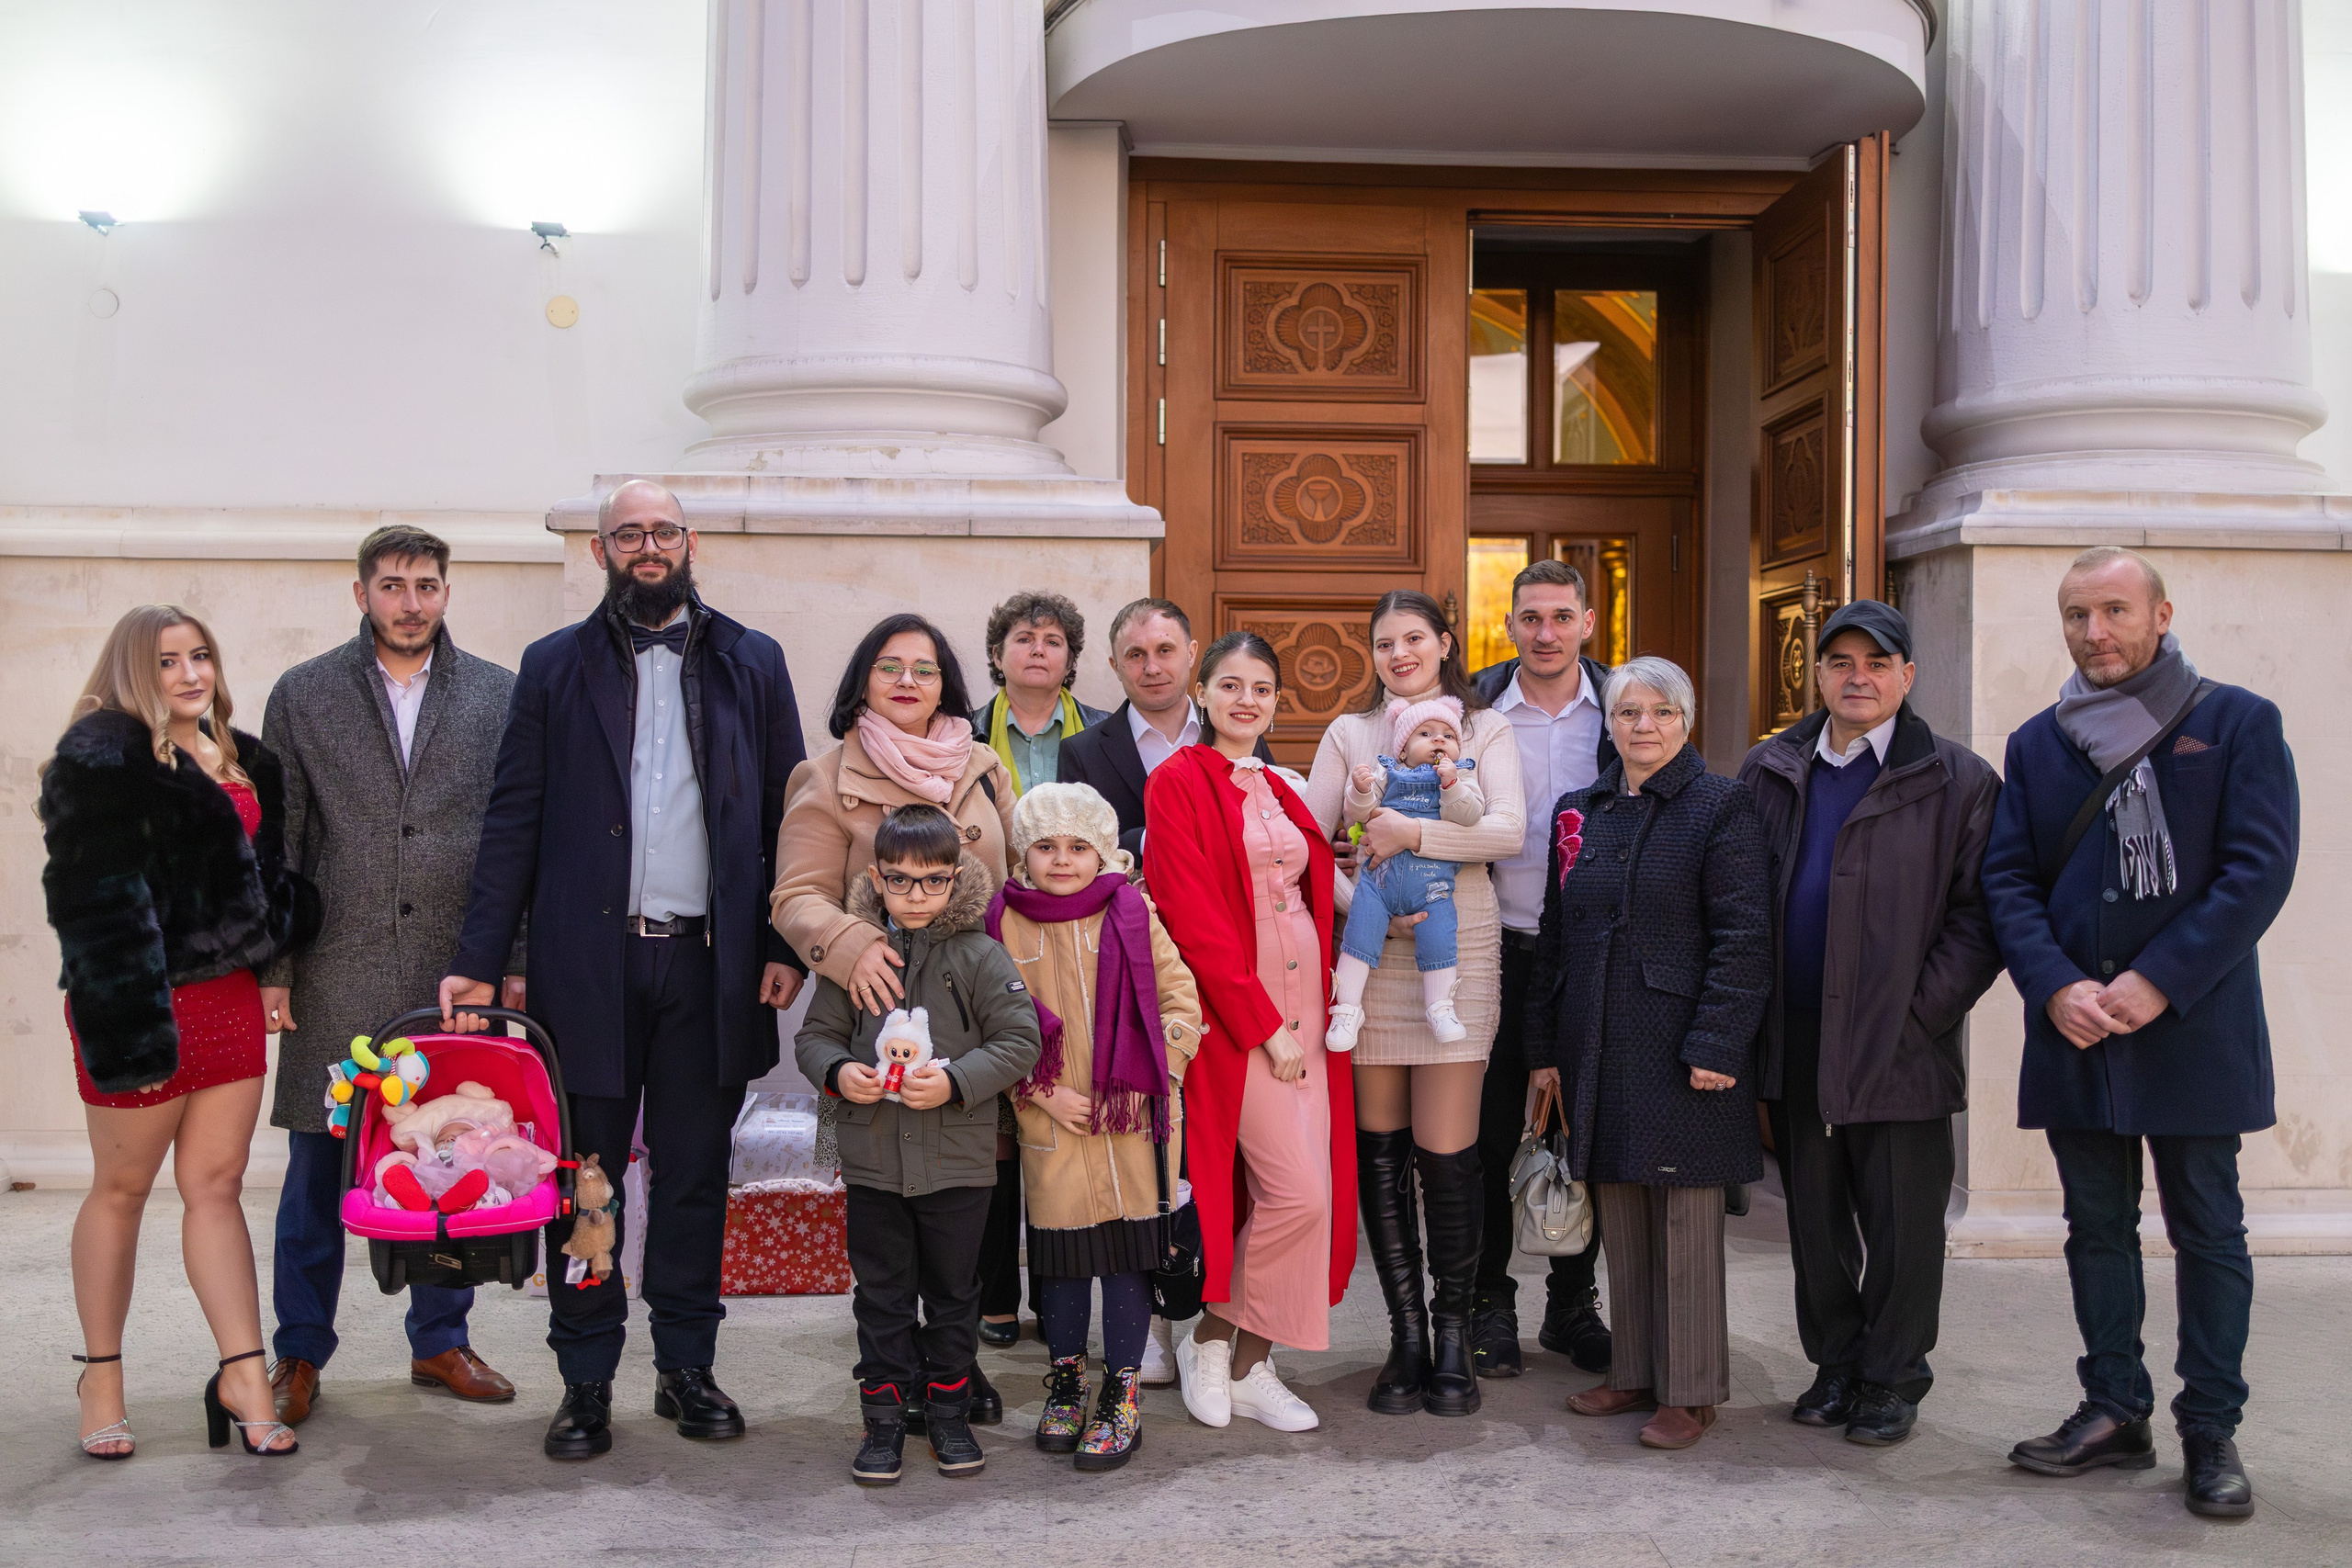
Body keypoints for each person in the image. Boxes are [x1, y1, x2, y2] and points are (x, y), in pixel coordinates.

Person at [439, 479, 808, 1460]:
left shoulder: (751, 661)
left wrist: (781, 946)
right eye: (628, 533)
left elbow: (789, 817)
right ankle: (586, 1381)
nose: (649, 546)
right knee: (584, 1179)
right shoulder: (553, 666)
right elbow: (512, 817)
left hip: (711, 965)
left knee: (693, 1176)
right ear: (603, 550)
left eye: (664, 531)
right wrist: (481, 962)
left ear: (690, 544)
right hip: (587, 967)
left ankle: (688, 1369)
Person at [1982, 547, 2298, 1518]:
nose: (2094, 632)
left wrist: (2159, 981)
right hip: (2078, 1027)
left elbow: (2258, 870)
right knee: (2095, 1229)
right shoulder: (2037, 743)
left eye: (2114, 610)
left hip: (2192, 1023)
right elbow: (2008, 880)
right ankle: (2113, 1408)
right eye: (2077, 615)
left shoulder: (2235, 722)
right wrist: (2053, 986)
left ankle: (2211, 1427)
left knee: (2207, 1230)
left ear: (2162, 615)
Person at [257, 525, 526, 1426]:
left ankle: (440, 1342)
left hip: (452, 978)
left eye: (426, 585)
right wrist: (276, 970)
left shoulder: (497, 695)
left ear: (447, 592)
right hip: (338, 969)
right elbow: (284, 842)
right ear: (361, 592)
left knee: (447, 1163)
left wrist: (508, 968)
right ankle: (298, 1353)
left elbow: (515, 844)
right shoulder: (303, 696)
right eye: (393, 585)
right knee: (316, 1174)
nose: (410, 603)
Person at [41, 605, 319, 1460]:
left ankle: (242, 1371)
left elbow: (256, 883)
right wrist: (126, 1019)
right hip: (139, 1003)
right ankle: (102, 1377)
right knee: (122, 1188)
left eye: (201, 655)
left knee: (218, 1185)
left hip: (227, 1001)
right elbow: (90, 905)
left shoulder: (245, 760)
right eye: (168, 662)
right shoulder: (99, 760)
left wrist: (286, 929)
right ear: (135, 672)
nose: (192, 673)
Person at [1738, 600, 2004, 1446]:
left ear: (1907, 675)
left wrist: (1919, 1013)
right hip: (1800, 1029)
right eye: (1842, 661)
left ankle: (1892, 1378)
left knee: (1901, 1223)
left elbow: (1979, 919)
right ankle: (1837, 1364)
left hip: (1900, 1040)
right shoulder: (1771, 767)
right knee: (1812, 1215)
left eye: (1877, 663)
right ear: (1816, 674)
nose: (1859, 677)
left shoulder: (1958, 779)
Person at [772, 610, 1020, 1420]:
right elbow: (795, 895)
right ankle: (892, 1365)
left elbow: (1010, 883)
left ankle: (953, 1361)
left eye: (925, 667)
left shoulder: (981, 766)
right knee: (889, 1213)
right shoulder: (825, 773)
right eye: (889, 666)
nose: (909, 680)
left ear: (947, 681)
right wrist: (849, 945)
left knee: (969, 1194)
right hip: (875, 1001)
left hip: (970, 1009)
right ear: (862, 682)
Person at [1526, 656, 1770, 1450]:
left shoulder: (1721, 806)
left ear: (1685, 721)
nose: (1643, 725)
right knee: (1623, 1212)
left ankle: (1691, 1390)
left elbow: (1744, 938)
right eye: (1628, 711)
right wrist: (1546, 1050)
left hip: (1683, 1052)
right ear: (1610, 722)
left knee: (1686, 1218)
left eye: (1661, 711)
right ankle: (1632, 1370)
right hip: (1597, 1043)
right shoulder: (1581, 810)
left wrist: (1716, 1043)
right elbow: (1554, 938)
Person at [1304, 592, 1523, 1418]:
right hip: (1374, 951)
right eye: (1384, 643)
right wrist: (1355, 893)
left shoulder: (1484, 727)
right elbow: (1304, 840)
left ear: (1444, 643)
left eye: (1414, 639)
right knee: (1382, 1149)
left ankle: (1454, 1335)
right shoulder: (1350, 735)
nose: (1400, 653)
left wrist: (1411, 835)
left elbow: (1507, 832)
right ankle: (1403, 1337)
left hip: (1458, 948)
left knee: (1448, 1152)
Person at [794, 806, 1043, 1485]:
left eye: (932, 882)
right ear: (876, 878)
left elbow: (1022, 1039)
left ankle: (950, 1416)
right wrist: (841, 1072)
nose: (915, 896)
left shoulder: (980, 954)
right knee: (881, 1295)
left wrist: (959, 1080)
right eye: (900, 881)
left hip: (959, 1168)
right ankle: (881, 1425)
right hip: (874, 1165)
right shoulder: (857, 955)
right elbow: (814, 1037)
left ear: (954, 878)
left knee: (954, 1294)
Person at [1145, 631, 1352, 1434]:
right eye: (1230, 685)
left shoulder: (1281, 785)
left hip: (1310, 1014)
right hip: (1245, 1026)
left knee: (1313, 1196)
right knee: (1293, 1191)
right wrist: (1264, 1027)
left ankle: (1253, 1360)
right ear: (1202, 692)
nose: (1246, 701)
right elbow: (1193, 922)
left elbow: (1312, 890)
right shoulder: (1177, 782)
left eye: (1261, 689)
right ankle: (1211, 1335)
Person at [990, 783, 1203, 1472]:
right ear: (1024, 852)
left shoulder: (1131, 909)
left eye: (1078, 846)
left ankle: (1122, 1392)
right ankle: (1067, 1385)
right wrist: (1039, 1090)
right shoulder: (1005, 922)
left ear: (1101, 852)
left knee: (1126, 1259)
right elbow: (990, 1023)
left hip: (1135, 1118)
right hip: (1053, 1121)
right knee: (1062, 1259)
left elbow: (1180, 998)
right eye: (1046, 846)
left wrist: (1160, 1068)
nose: (1061, 859)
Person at [1467, 558, 1614, 1379]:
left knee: (1577, 1133)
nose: (1546, 632)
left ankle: (1571, 1304)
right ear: (1511, 624)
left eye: (1562, 616)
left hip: (1592, 956)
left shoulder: (1628, 704)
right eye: (1531, 617)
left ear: (1588, 622)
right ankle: (1491, 1303)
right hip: (1497, 946)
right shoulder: (1478, 708)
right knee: (1491, 1137)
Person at [1057, 598, 1272, 863]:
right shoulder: (1082, 752)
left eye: (1165, 650)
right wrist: (1154, 838)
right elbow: (1072, 849)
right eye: (1136, 655)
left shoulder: (1239, 732)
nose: (1152, 668)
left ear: (1192, 653)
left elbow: (1274, 822)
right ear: (1116, 667)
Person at [1328, 696, 1486, 1049]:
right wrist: (1362, 790)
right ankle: (1347, 1008)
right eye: (1426, 733)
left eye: (1448, 735)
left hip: (1432, 887)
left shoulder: (1463, 776)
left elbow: (1471, 816)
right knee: (1359, 936)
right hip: (1378, 882)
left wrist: (1451, 786)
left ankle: (1440, 1006)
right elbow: (1358, 815)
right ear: (1402, 750)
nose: (1439, 740)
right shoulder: (1388, 772)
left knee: (1440, 937)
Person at [972, 590, 1111, 795]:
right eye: (1024, 639)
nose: (1038, 650)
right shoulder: (966, 733)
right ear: (997, 656)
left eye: (1052, 642)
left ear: (1070, 662)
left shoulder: (1107, 732)